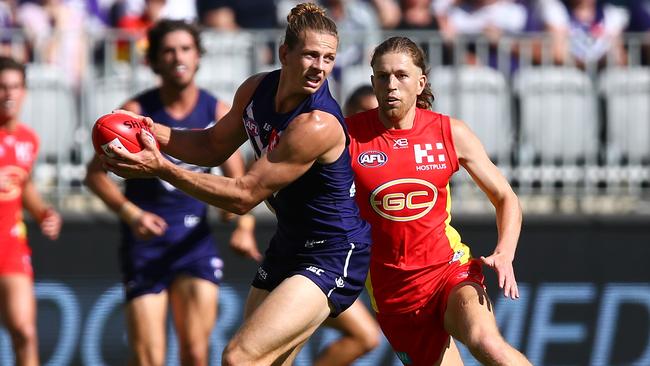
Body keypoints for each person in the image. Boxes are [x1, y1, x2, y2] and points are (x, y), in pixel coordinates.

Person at [99, 3, 372, 365]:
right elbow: (212, 146)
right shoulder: (256, 89)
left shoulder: (316, 125)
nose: (319, 67)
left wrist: (161, 168)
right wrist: (149, 130)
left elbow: (243, 197)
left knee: (239, 357)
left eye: (328, 58)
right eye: (310, 55)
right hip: (290, 242)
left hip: (332, 251)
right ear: (284, 53)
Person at [346, 36, 531, 365]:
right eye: (383, 76)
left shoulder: (449, 132)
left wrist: (506, 251)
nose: (392, 84)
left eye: (401, 75)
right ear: (373, 82)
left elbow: (505, 196)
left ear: (420, 83)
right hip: (393, 294)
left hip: (449, 271)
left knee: (486, 342)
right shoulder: (346, 137)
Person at [84, 19, 259, 365]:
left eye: (185, 49)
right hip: (145, 244)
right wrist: (131, 214)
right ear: (154, 62)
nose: (178, 57)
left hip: (194, 243)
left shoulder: (217, 111)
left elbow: (237, 185)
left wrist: (243, 227)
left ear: (198, 57)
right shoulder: (134, 114)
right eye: (168, 50)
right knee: (149, 357)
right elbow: (94, 176)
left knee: (195, 352)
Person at [0, 55, 62, 366]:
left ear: (24, 91)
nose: (9, 94)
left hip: (10, 246)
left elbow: (23, 186)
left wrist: (42, 213)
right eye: (2, 87)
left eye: (15, 87)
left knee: (25, 332)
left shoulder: (28, 139)